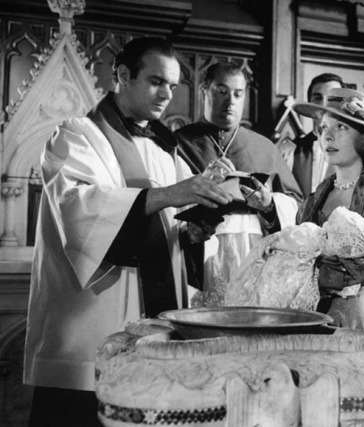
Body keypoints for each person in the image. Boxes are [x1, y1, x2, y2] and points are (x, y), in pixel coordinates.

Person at [23, 37, 231, 426]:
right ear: (122, 75)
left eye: (172, 85)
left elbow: (176, 224)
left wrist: (195, 232)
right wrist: (170, 194)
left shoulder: (164, 148)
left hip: (153, 322)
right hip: (92, 325)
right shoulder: (77, 135)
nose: (167, 94)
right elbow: (80, 211)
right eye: (156, 81)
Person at [174, 61, 302, 307]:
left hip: (253, 252)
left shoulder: (264, 146)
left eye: (237, 93)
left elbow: (296, 203)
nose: (230, 101)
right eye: (221, 91)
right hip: (198, 251)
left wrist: (269, 203)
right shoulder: (178, 143)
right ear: (204, 92)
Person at [293, 88, 364, 346]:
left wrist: (312, 262)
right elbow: (294, 251)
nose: (327, 135)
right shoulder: (319, 193)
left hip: (355, 310)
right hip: (311, 310)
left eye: (341, 127)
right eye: (323, 127)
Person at [225, 206, 364, 311]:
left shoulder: (311, 234)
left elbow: (284, 237)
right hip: (286, 271)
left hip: (285, 273)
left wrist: (277, 246)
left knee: (267, 296)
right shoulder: (322, 245)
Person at [280, 73, 344, 197]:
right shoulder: (288, 151)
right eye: (318, 98)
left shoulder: (354, 154)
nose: (324, 105)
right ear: (310, 103)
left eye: (332, 99)